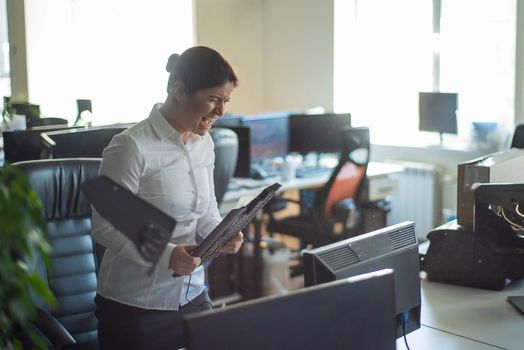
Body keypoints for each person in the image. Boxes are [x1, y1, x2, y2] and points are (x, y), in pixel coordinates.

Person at [91, 46, 243, 350]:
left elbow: (206, 212)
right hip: (137, 305)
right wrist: (167, 254)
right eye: (213, 99)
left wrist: (225, 233)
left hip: (192, 295)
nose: (221, 112)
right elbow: (104, 226)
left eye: (226, 101)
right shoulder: (131, 146)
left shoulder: (205, 144)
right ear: (179, 91)